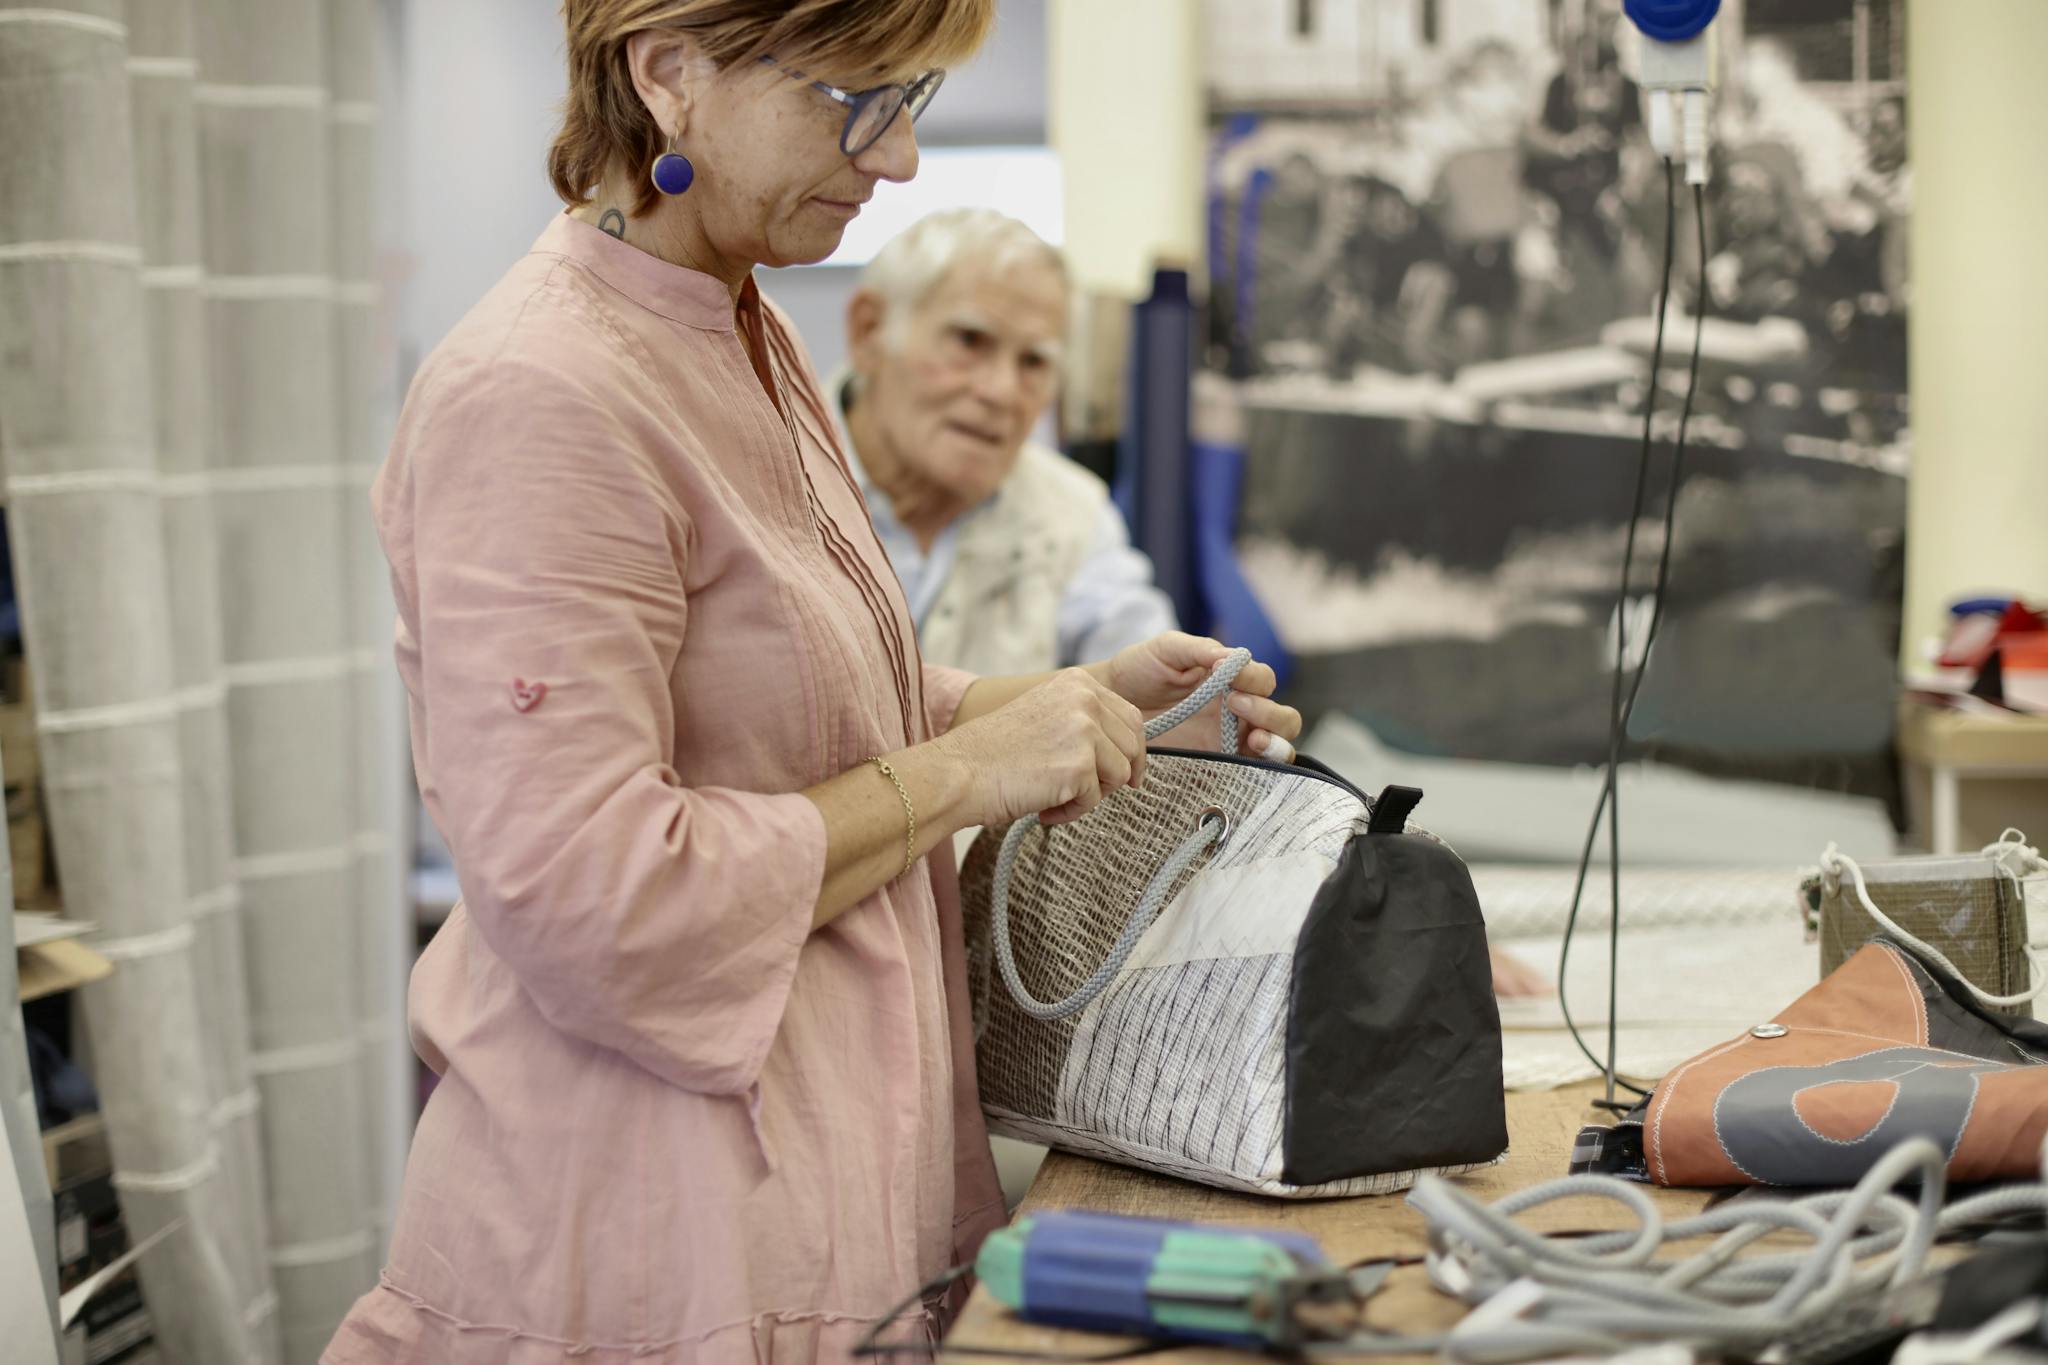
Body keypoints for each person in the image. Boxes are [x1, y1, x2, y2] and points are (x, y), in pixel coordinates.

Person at [321, 4, 1303, 1363]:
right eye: (857, 101)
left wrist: (1074, 695)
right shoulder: (536, 393)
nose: (896, 160)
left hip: (842, 1173)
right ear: (669, 75)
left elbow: (812, 704)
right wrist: (971, 770)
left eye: (912, 102)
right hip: (660, 1232)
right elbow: (606, 895)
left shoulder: (743, 328)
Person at [833, 210, 1179, 680]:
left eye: (1034, 362)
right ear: (869, 331)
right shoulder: (751, 478)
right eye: (969, 340)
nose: (1001, 392)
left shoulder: (1072, 514)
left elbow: (1147, 669)